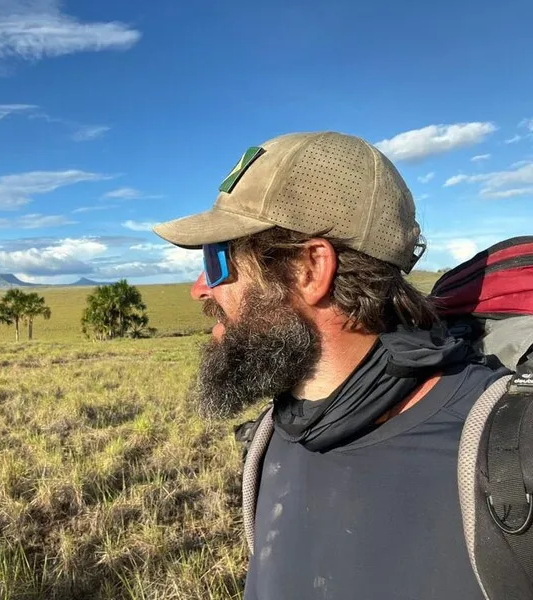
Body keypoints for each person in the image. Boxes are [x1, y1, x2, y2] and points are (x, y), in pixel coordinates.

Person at [152, 131, 510, 600]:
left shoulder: (503, 453)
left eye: (218, 258)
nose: (200, 288)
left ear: (310, 269)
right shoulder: (271, 440)